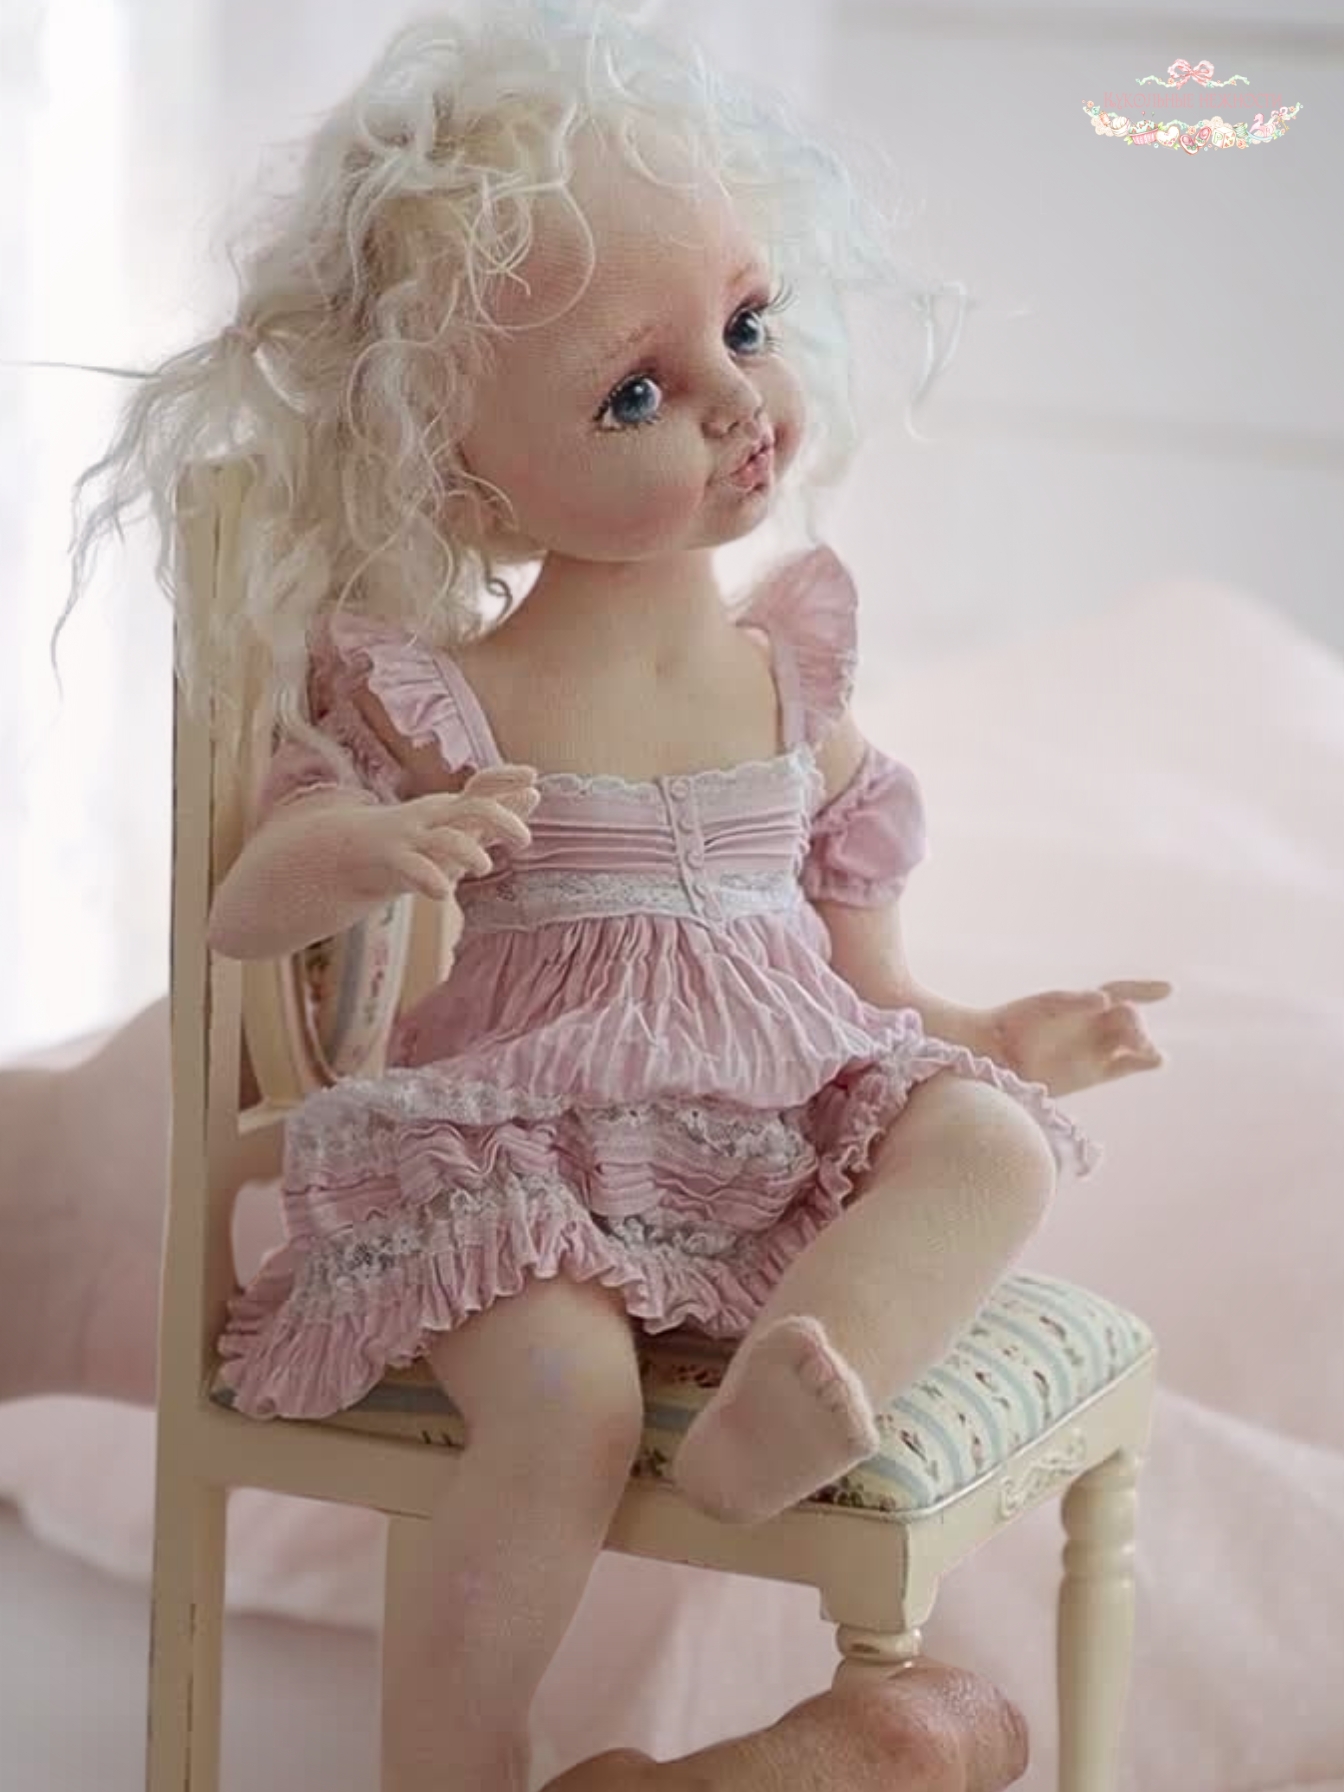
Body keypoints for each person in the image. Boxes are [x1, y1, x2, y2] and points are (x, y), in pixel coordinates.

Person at [56, 5, 1167, 1786]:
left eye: (745, 326)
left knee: (994, 1144)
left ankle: (789, 1394)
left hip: (767, 1141)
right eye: (634, 393)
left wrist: (994, 1033)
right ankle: (456, 1760)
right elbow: (246, 914)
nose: (735, 402)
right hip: (526, 1156)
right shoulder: (449, 694)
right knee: (563, 1397)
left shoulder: (787, 674)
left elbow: (866, 980)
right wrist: (363, 850)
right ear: (457, 469)